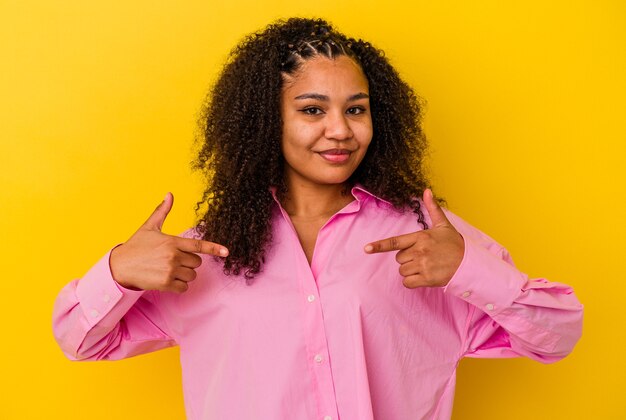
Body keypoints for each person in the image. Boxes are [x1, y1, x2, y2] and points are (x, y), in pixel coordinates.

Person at [52, 17, 583, 420]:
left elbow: (558, 335)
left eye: (356, 109)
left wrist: (472, 269)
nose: (341, 131)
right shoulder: (203, 254)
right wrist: (118, 269)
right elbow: (79, 341)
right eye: (312, 110)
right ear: (268, 120)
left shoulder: (428, 237)